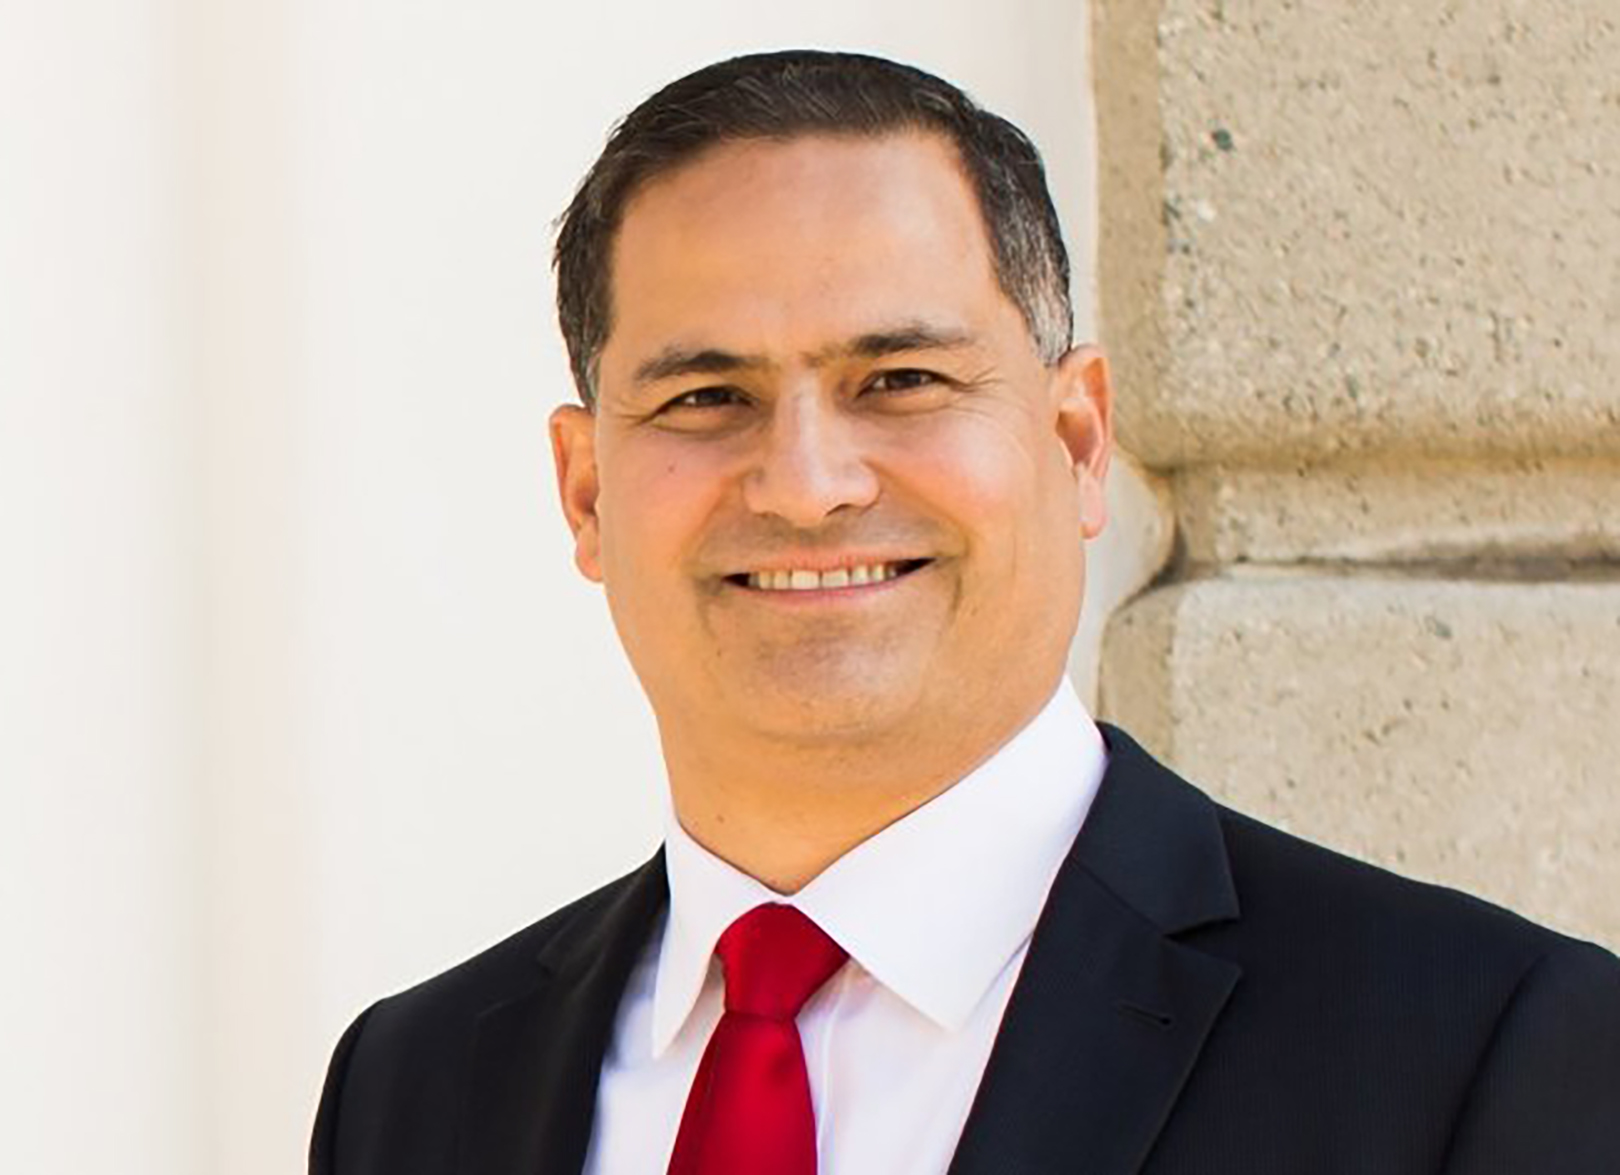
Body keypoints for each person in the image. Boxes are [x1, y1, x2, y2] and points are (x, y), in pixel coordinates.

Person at [309, 50, 1620, 1174]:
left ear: (1077, 438)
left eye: (902, 378)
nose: (809, 485)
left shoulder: (1477, 1053)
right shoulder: (415, 1090)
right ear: (587, 492)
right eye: (707, 399)